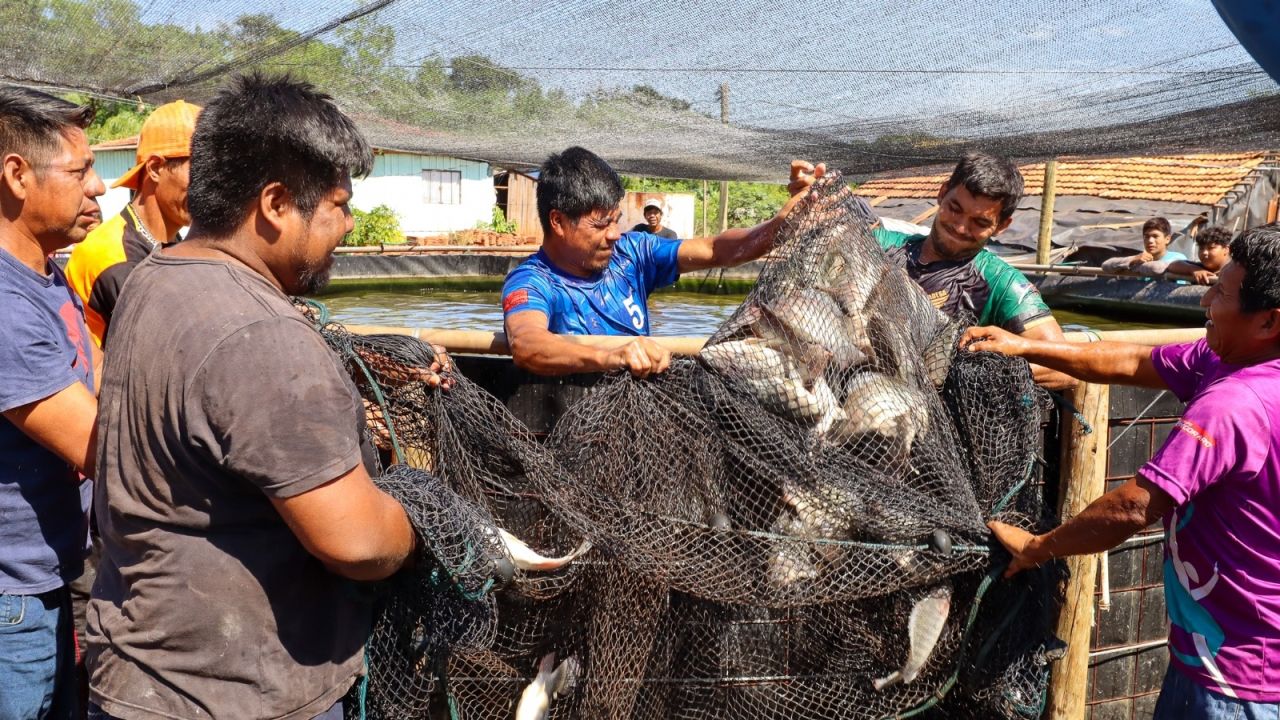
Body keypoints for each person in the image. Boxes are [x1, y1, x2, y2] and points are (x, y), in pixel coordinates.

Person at [84, 74, 436, 720]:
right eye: (337, 205)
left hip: (136, 681)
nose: (349, 226)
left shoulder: (154, 278)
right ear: (275, 204)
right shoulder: (262, 332)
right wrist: (424, 529)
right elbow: (356, 540)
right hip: (229, 699)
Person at [963, 222, 1280, 718]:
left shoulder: (1234, 402)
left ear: (1268, 322)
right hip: (1209, 656)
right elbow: (1132, 360)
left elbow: (1134, 506)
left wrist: (1038, 547)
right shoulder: (1228, 361)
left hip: (1237, 678)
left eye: (1220, 292)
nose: (1204, 302)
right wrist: (1026, 346)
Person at [501, 146, 820, 377]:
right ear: (557, 221)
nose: (614, 234)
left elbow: (716, 250)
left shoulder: (632, 253)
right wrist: (615, 354)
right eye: (600, 225)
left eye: (617, 220)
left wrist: (785, 219)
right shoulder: (533, 281)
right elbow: (528, 344)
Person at [0, 87, 105, 720]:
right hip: (11, 599)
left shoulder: (46, 273)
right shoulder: (5, 305)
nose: (98, 188)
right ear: (15, 175)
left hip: (48, 577)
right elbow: (100, 446)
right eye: (80, 171)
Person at [872, 152, 1074, 388]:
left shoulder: (1002, 283)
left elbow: (1064, 369)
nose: (960, 227)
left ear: (1002, 226)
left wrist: (966, 370)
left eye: (979, 222)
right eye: (955, 208)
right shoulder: (881, 243)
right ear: (942, 193)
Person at [64, 100, 201, 348]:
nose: (207, 187)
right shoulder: (115, 259)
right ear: (156, 168)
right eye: (199, 171)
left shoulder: (166, 242)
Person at [1101, 217, 1189, 276]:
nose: (1150, 241)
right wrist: (1132, 260)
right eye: (1146, 236)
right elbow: (1106, 265)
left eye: (1155, 236)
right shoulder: (1140, 258)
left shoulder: (1178, 259)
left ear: (1167, 239)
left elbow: (1157, 268)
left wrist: (1134, 266)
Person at [1167, 225, 1232, 286]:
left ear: (1226, 249)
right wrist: (1192, 269)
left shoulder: (1237, 270)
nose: (1204, 252)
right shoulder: (1200, 268)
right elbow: (1172, 265)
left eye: (1211, 248)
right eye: (1201, 248)